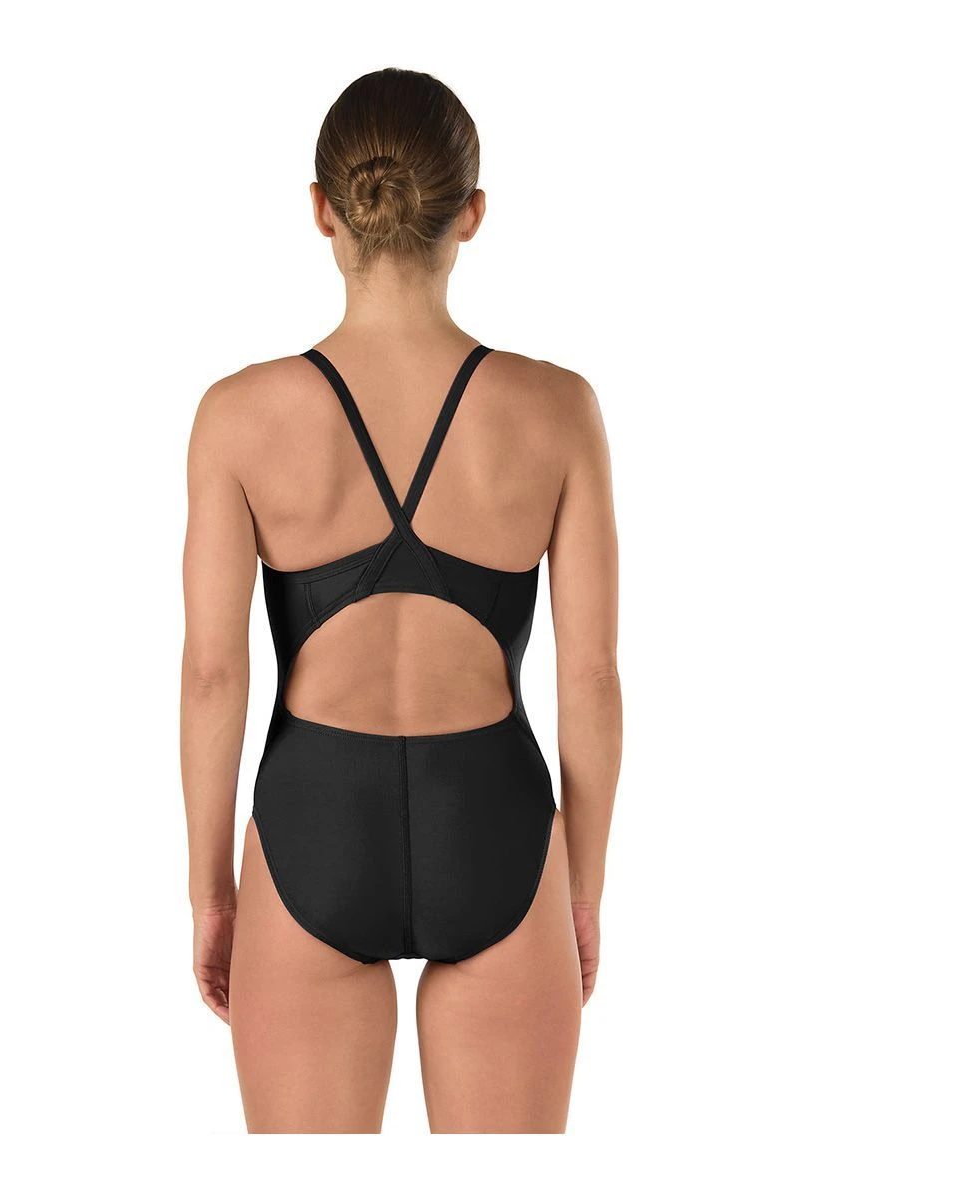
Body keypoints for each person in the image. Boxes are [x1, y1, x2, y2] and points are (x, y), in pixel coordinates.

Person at [181, 67, 621, 1133]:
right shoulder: (557, 409)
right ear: (471, 213)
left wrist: (211, 892)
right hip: (498, 827)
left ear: (322, 210)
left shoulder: (239, 416)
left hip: (312, 827)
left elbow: (212, 677)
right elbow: (592, 680)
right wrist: (580, 889)